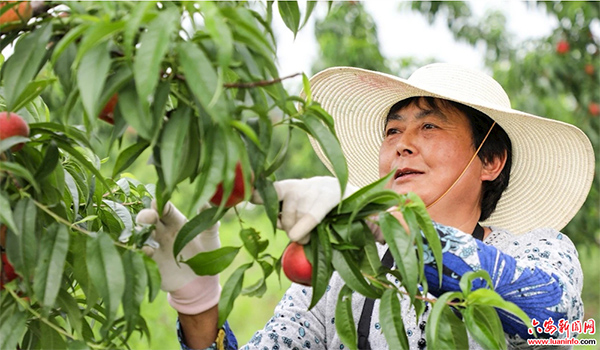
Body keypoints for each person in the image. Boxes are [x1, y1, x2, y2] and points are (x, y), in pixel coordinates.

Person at [135, 63, 594, 350]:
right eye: (392, 131)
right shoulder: (344, 274)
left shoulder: (541, 253)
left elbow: (557, 322)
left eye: (429, 126)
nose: (402, 146)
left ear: (489, 160)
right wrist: (198, 306)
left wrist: (383, 221)